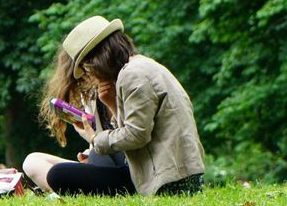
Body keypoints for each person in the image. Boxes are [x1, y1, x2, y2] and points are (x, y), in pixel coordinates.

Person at [22, 16, 205, 196]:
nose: (89, 73)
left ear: (98, 57)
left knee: (58, 175)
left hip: (169, 181)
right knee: (56, 163)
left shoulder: (133, 75)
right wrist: (111, 103)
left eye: (87, 66)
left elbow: (136, 136)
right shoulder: (139, 67)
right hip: (170, 174)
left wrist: (94, 139)